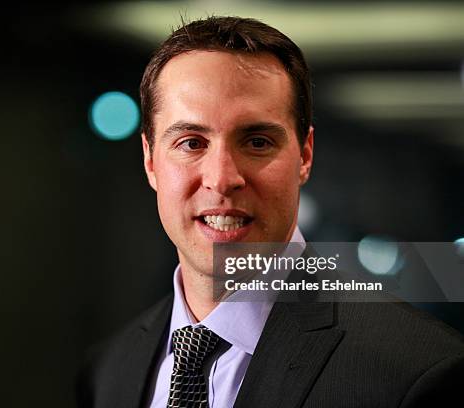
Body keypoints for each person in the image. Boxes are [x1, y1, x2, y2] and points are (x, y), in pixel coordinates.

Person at [77, 16, 464, 408]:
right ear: (150, 161)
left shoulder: (417, 372)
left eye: (257, 141)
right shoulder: (109, 371)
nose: (222, 178)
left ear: (305, 156)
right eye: (191, 143)